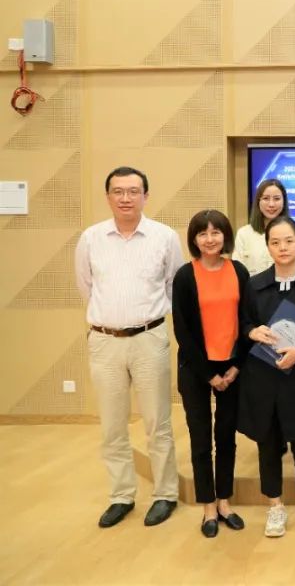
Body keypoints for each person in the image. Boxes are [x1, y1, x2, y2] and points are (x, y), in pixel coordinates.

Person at [75, 166, 185, 529]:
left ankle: (165, 494)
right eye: (118, 191)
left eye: (133, 191)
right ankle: (121, 495)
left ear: (146, 196)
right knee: (112, 425)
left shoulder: (164, 237)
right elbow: (86, 287)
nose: (126, 198)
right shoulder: (91, 238)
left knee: (158, 422)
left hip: (149, 337)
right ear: (108, 196)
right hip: (104, 341)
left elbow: (174, 286)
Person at [238, 215, 295, 538]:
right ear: (267, 246)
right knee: (268, 441)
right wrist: (252, 331)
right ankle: (274, 506)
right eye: (275, 242)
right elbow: (243, 322)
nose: (283, 247)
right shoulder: (254, 284)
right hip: (263, 375)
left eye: (289, 241)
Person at [172, 210, 249, 537]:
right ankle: (207, 506)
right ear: (194, 239)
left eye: (216, 232)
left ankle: (224, 501)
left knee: (226, 437)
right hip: (196, 369)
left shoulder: (239, 271)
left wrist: (235, 367)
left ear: (225, 236)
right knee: (201, 438)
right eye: (202, 233)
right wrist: (208, 374)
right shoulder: (184, 276)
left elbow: (247, 322)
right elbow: (182, 330)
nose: (209, 239)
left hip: (232, 366)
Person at [233, 179, 288, 275]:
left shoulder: (293, 232)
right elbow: (238, 273)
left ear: (284, 202)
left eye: (276, 199)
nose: (271, 204)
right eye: (266, 198)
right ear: (258, 201)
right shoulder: (244, 234)